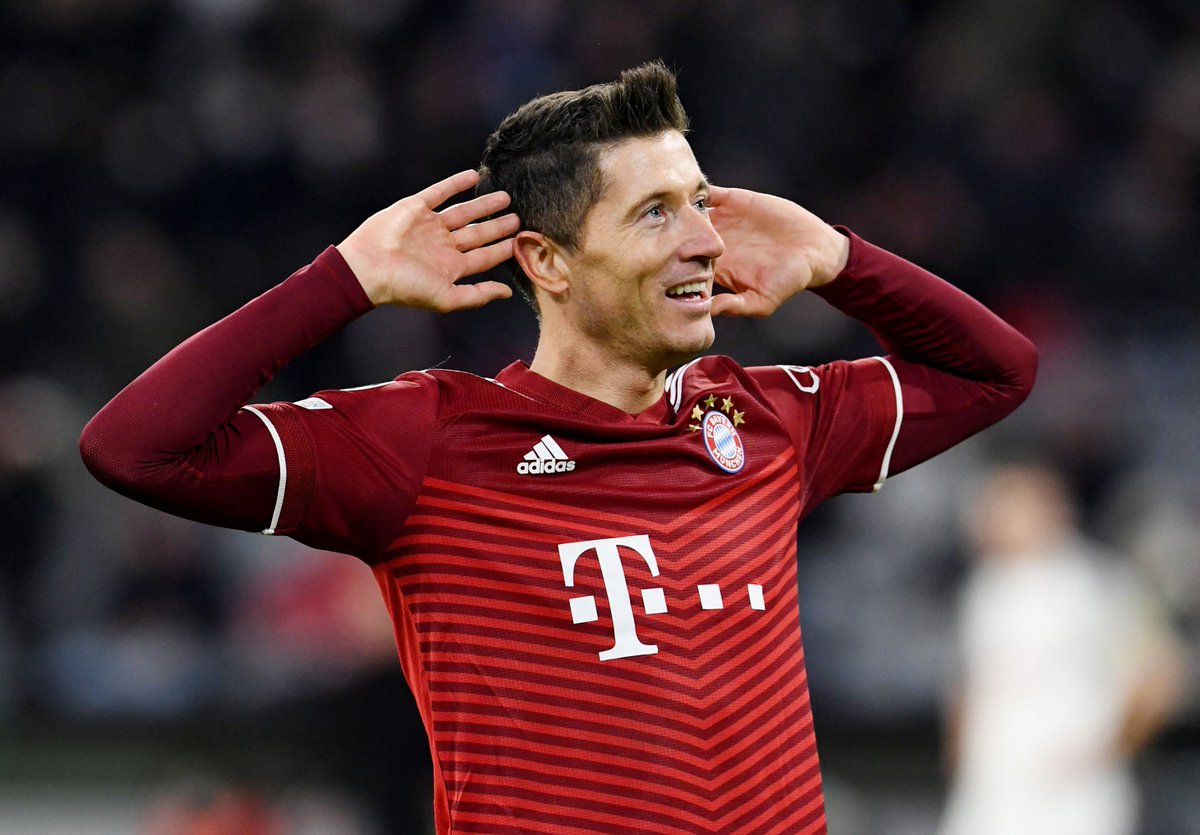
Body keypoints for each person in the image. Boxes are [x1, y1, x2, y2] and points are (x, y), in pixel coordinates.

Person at [80, 62, 1037, 834]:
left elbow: (998, 373)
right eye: (656, 211)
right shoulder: (429, 442)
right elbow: (135, 449)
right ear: (548, 261)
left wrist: (841, 260)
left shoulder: (765, 420)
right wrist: (343, 281)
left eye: (699, 202)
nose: (704, 240)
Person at [939, 462, 1185, 835]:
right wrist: (960, 752)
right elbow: (970, 681)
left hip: (1074, 803)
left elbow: (1161, 676)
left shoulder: (1098, 581)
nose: (987, 519)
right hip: (990, 796)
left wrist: (1105, 752)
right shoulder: (985, 588)